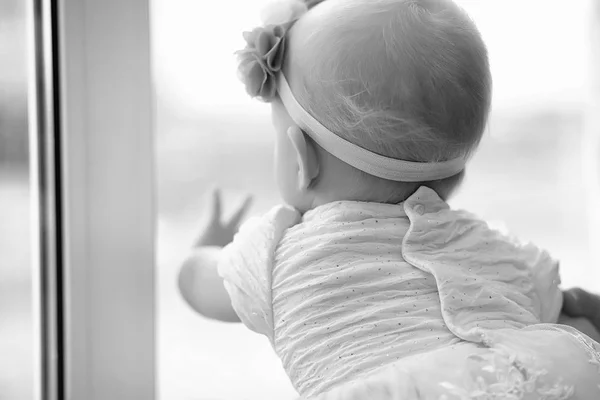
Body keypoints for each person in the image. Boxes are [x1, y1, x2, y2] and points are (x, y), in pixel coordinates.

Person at [179, 0, 600, 398]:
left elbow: (198, 285)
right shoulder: (499, 252)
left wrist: (207, 249)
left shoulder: (273, 254)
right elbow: (562, 318)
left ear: (300, 161)